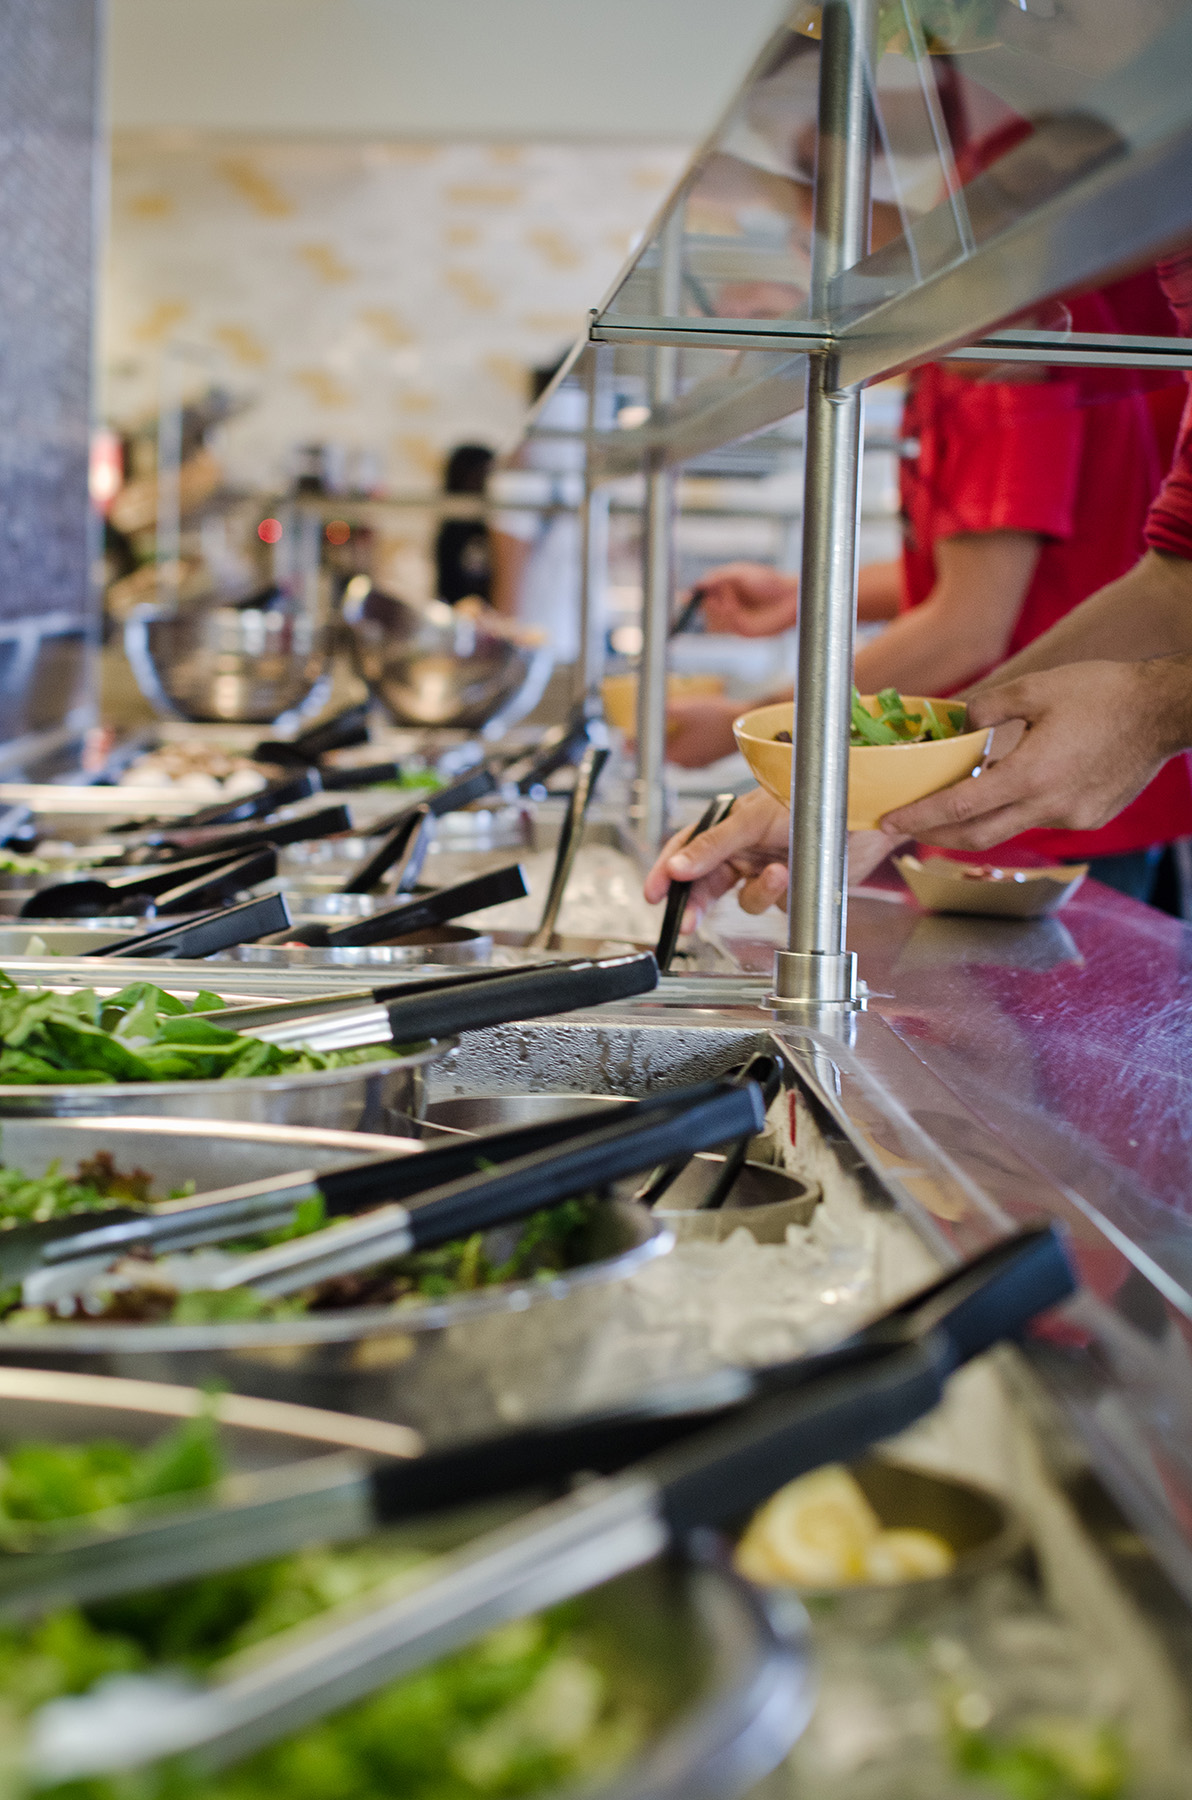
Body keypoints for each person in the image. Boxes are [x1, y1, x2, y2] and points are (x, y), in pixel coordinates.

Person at [645, 248, 1192, 923]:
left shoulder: (1006, 368)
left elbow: (967, 624)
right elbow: (1176, 587)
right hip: (1024, 769)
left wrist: (1157, 708)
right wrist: (862, 799)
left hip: (1053, 804)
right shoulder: (979, 364)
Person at [433, 443, 495, 606]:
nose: (489, 484)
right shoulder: (452, 531)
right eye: (484, 475)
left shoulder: (492, 527)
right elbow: (447, 588)